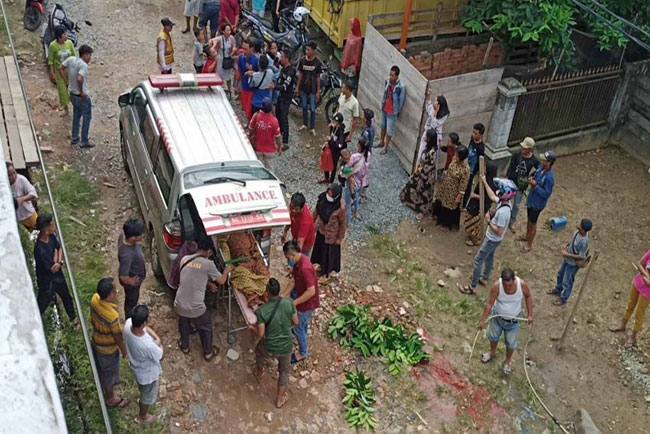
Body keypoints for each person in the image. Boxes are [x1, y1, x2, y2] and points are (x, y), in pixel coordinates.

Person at [174, 237, 230, 361]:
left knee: (183, 322)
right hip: (196, 308)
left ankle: (185, 346)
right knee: (206, 326)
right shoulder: (208, 264)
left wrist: (208, 284)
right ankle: (208, 353)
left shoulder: (185, 259)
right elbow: (222, 280)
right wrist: (226, 270)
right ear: (208, 252)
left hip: (179, 303)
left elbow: (190, 278)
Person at [460, 177, 516, 295]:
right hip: (496, 240)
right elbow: (492, 196)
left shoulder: (502, 213)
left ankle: (472, 286)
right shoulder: (506, 203)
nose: (498, 192)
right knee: (490, 257)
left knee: (478, 260)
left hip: (492, 239)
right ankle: (485, 278)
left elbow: (499, 231)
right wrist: (485, 181)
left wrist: (488, 221)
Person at [478, 268, 533, 375]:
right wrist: (483, 320)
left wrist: (530, 314)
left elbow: (528, 296)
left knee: (511, 343)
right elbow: (489, 303)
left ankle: (507, 362)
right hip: (497, 318)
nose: (507, 287)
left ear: (514, 280)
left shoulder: (522, 285)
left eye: (509, 285)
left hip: (514, 321)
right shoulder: (497, 286)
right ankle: (492, 353)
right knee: (493, 337)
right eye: (505, 285)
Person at [254, 278, 299, 408]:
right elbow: (296, 322)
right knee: (284, 371)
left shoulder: (262, 311)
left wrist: (253, 329)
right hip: (286, 346)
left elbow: (261, 334)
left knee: (259, 351)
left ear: (267, 292)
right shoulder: (289, 303)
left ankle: (259, 371)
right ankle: (280, 399)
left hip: (270, 347)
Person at [90, 278, 128, 407]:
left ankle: (102, 382)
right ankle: (110, 398)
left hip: (96, 341)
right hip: (107, 350)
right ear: (111, 295)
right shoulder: (112, 317)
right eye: (115, 290)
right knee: (109, 373)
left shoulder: (95, 299)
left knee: (101, 368)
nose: (116, 292)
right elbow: (118, 337)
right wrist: (124, 351)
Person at [34, 214, 78, 325]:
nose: (53, 226)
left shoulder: (51, 236)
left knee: (67, 297)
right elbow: (53, 269)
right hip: (47, 283)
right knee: (42, 304)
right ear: (45, 229)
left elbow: (59, 248)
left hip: (58, 277)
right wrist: (58, 261)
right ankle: (34, 321)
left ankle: (74, 319)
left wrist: (58, 260)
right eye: (51, 224)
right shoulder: (40, 249)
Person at [123, 305, 163, 425]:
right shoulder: (147, 345)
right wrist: (158, 341)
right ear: (144, 323)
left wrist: (155, 338)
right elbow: (160, 353)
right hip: (147, 375)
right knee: (147, 397)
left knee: (143, 389)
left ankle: (142, 405)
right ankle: (142, 417)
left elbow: (146, 330)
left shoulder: (127, 324)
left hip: (137, 367)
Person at [282, 240, 320, 364]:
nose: (288, 260)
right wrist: (283, 295)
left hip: (307, 304)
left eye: (288, 258)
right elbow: (293, 281)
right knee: (301, 325)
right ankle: (301, 331)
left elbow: (311, 291)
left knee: (299, 328)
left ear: (292, 255)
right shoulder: (298, 262)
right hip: (301, 298)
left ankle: (303, 352)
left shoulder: (305, 268)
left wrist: (295, 302)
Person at [610, 249, 650, 348]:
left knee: (639, 313)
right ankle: (622, 324)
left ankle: (633, 335)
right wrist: (647, 276)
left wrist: (647, 278)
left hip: (647, 293)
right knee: (630, 305)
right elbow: (640, 264)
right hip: (638, 283)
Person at [547, 219, 592, 306]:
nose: (578, 225)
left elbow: (581, 256)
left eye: (580, 225)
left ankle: (563, 299)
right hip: (567, 260)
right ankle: (558, 290)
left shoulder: (584, 242)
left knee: (567, 281)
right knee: (560, 274)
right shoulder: (577, 232)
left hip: (573, 264)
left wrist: (567, 254)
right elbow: (573, 241)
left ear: (583, 229)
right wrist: (567, 245)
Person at [520, 151, 556, 252]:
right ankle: (527, 236)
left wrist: (535, 186)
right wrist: (532, 179)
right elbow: (535, 175)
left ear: (549, 163)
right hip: (531, 199)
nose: (542, 161)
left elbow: (546, 194)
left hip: (538, 203)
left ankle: (529, 244)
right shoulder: (540, 168)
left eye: (545, 160)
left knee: (533, 223)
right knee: (529, 219)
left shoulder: (549, 178)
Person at [400, 128, 439, 217]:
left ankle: (422, 211)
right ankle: (411, 203)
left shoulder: (432, 152)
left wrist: (419, 170)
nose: (425, 137)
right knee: (412, 185)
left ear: (429, 139)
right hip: (421, 171)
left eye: (426, 136)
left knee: (423, 192)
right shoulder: (429, 148)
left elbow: (429, 166)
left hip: (426, 176)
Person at [311, 184, 347, 280]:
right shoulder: (322, 199)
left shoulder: (340, 207)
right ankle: (318, 267)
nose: (329, 196)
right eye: (328, 193)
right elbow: (316, 212)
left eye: (331, 195)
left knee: (328, 255)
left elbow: (343, 224)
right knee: (319, 251)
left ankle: (326, 274)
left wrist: (340, 238)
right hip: (320, 231)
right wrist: (311, 225)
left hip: (331, 235)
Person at [63, 44, 94, 148]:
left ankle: (75, 137)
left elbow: (60, 67)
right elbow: (80, 78)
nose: (90, 58)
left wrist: (66, 81)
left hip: (72, 94)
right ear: (85, 55)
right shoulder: (83, 65)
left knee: (76, 116)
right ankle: (84, 141)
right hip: (81, 97)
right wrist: (82, 92)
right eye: (89, 55)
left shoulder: (71, 59)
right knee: (87, 117)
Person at [432, 145, 470, 230]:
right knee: (440, 201)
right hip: (445, 187)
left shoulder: (465, 170)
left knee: (448, 208)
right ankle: (437, 215)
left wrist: (459, 197)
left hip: (453, 192)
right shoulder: (454, 161)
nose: (455, 156)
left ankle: (446, 224)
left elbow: (463, 185)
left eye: (457, 155)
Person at [506, 137, 540, 233]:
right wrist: (507, 177)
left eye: (525, 148)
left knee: (516, 205)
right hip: (511, 181)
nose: (523, 149)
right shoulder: (517, 155)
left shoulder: (533, 160)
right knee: (505, 199)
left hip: (520, 185)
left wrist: (531, 177)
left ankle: (512, 221)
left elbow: (539, 169)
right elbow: (511, 166)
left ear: (530, 149)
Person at [463, 161, 498, 246]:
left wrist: (475, 195)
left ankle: (475, 240)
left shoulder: (490, 183)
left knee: (476, 225)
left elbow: (487, 198)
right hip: (476, 204)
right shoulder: (488, 179)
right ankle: (471, 236)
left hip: (479, 207)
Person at [118, 218, 146, 320]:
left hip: (135, 273)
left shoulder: (123, 235)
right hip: (132, 284)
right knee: (131, 301)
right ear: (133, 237)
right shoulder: (127, 255)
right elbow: (122, 276)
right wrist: (131, 281)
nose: (143, 235)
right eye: (141, 234)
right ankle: (130, 320)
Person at [295, 41, 322, 136]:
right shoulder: (302, 60)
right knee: (304, 107)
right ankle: (305, 124)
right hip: (303, 89)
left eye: (308, 50)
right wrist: (297, 87)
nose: (307, 51)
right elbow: (300, 75)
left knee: (313, 109)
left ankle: (312, 127)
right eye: (306, 49)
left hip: (313, 90)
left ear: (313, 51)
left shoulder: (317, 63)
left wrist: (318, 91)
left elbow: (318, 77)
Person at [378, 65, 407, 155]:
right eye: (390, 74)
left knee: (389, 130)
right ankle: (381, 142)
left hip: (392, 111)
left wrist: (396, 111)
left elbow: (401, 101)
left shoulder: (401, 87)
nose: (390, 77)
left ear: (397, 76)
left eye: (392, 75)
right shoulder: (387, 80)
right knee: (383, 126)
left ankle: (386, 147)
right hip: (385, 107)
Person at [48, 25, 75, 116]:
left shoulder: (70, 43)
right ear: (59, 36)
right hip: (59, 72)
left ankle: (75, 106)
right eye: (64, 34)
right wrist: (52, 73)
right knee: (62, 91)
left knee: (73, 89)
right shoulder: (53, 46)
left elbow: (74, 56)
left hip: (69, 70)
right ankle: (66, 109)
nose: (67, 35)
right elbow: (51, 60)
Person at [341, 138, 370, 222]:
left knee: (348, 203)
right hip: (361, 183)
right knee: (356, 198)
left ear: (359, 146)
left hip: (352, 183)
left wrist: (342, 169)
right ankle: (356, 213)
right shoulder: (368, 155)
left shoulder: (354, 157)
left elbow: (346, 170)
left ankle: (348, 222)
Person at [249, 98, 281, 171]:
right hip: (270, 150)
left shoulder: (256, 116)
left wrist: (250, 137)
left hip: (258, 148)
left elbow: (250, 129)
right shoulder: (274, 121)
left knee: (257, 169)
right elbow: (277, 137)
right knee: (270, 170)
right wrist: (280, 147)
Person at [418, 92, 449, 161]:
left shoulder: (444, 115)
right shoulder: (433, 108)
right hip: (427, 133)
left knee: (431, 156)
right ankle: (418, 167)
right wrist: (428, 96)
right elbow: (428, 106)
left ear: (439, 104)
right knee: (421, 153)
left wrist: (435, 112)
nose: (434, 102)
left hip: (435, 136)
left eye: (435, 101)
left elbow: (434, 125)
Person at [7, 162, 38, 231]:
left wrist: (22, 199)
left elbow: (33, 193)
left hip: (29, 215)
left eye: (14, 173)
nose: (13, 176)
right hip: (16, 220)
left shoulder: (21, 179)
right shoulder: (4, 186)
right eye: (10, 175)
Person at [275, 49, 296, 151]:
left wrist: (274, 87)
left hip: (286, 97)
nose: (281, 58)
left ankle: (285, 141)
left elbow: (284, 86)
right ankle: (278, 134)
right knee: (278, 114)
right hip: (280, 96)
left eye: (282, 57)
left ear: (287, 59)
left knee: (284, 117)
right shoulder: (283, 68)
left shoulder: (291, 71)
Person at [463, 123, 486, 206]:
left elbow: (480, 162)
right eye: (473, 132)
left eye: (475, 133)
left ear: (480, 135)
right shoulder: (472, 140)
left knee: (467, 187)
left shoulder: (481, 148)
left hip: (471, 170)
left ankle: (464, 204)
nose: (473, 135)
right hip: (465, 164)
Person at [237, 38, 259, 120]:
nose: (244, 51)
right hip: (244, 87)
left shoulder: (256, 60)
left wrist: (252, 72)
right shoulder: (241, 58)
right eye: (243, 48)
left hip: (252, 89)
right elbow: (240, 71)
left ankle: (250, 124)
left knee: (250, 108)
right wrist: (237, 84)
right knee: (244, 107)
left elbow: (260, 74)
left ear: (251, 49)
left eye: (246, 49)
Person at [320, 112, 346, 183]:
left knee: (333, 166)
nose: (333, 122)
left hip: (335, 152)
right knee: (326, 161)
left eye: (335, 121)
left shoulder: (341, 132)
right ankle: (326, 177)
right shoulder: (333, 127)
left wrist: (331, 141)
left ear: (339, 123)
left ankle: (331, 181)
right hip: (330, 149)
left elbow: (339, 144)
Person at [340, 18, 363, 90]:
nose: (350, 27)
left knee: (350, 87)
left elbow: (357, 54)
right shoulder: (351, 34)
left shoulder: (358, 39)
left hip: (351, 67)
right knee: (344, 84)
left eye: (352, 25)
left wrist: (355, 66)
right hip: (346, 64)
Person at [215, 24, 237, 94]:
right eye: (227, 30)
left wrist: (233, 50)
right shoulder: (219, 38)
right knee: (220, 75)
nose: (229, 32)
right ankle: (219, 90)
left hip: (228, 58)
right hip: (221, 59)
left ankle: (230, 90)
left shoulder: (232, 38)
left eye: (229, 30)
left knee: (229, 76)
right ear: (223, 31)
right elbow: (215, 43)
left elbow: (234, 46)